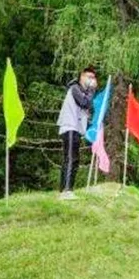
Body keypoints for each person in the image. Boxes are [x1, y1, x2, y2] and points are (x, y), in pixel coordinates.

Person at [56, 66, 97, 200]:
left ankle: (64, 189)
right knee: (70, 158)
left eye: (93, 78)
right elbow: (84, 103)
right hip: (70, 127)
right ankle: (67, 190)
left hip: (76, 129)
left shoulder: (83, 91)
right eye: (89, 77)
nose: (92, 80)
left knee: (72, 158)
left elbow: (88, 108)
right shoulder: (75, 88)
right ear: (82, 77)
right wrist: (92, 90)